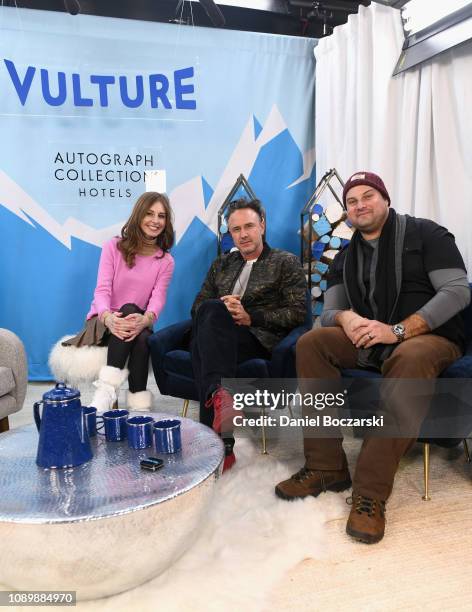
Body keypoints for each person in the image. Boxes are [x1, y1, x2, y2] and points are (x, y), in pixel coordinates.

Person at [275, 171, 470, 543]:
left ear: (385, 199)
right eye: (351, 201)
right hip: (373, 340)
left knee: (410, 356)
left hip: (428, 338)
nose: (360, 205)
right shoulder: (344, 257)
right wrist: (347, 318)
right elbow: (328, 313)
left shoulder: (427, 234)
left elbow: (457, 291)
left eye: (368, 196)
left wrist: (396, 330)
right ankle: (325, 466)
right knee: (312, 343)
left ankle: (370, 491)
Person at [191, 198, 307, 471]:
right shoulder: (221, 264)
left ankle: (214, 443)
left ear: (262, 226)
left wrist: (249, 317)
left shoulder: (284, 262)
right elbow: (197, 306)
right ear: (229, 233)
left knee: (203, 342)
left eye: (249, 226)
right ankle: (222, 406)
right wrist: (223, 307)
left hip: (256, 339)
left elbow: (298, 313)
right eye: (236, 229)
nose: (243, 234)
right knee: (211, 310)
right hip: (218, 334)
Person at [64, 191, 175, 412]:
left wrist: (147, 319)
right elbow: (102, 289)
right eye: (149, 213)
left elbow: (158, 297)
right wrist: (107, 317)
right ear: (138, 215)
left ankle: (134, 408)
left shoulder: (165, 261)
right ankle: (114, 396)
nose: (155, 221)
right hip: (103, 322)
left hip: (136, 324)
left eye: (161, 216)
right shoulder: (113, 247)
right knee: (129, 310)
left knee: (143, 335)